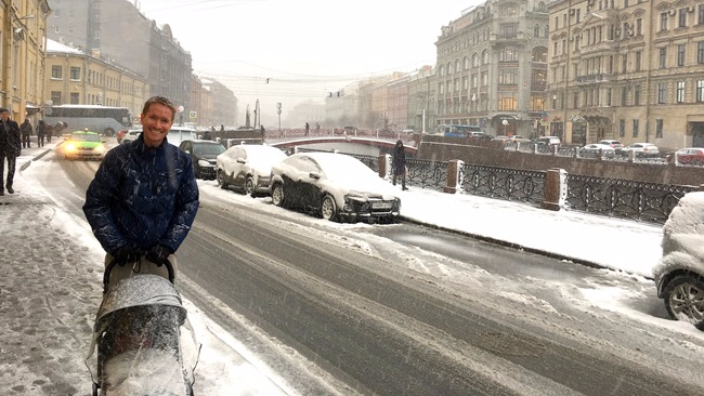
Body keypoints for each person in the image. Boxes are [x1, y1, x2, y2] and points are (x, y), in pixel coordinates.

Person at [83, 96, 199, 290]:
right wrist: (117, 245)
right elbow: (96, 203)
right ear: (142, 118)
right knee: (120, 315)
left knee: (160, 315)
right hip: (122, 260)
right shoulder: (119, 158)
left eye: (164, 120)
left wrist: (168, 245)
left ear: (170, 124)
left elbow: (188, 205)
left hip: (161, 261)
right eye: (153, 117)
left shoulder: (180, 161)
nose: (157, 125)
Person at [0, 108, 21, 195]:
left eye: (6, 113)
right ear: (0, 115)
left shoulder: (13, 124)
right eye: (3, 113)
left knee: (11, 168)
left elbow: (17, 137)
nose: (5, 115)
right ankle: (0, 189)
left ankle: (9, 185)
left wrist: (19, 148)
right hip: (0, 150)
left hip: (11, 150)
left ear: (9, 114)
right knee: (0, 169)